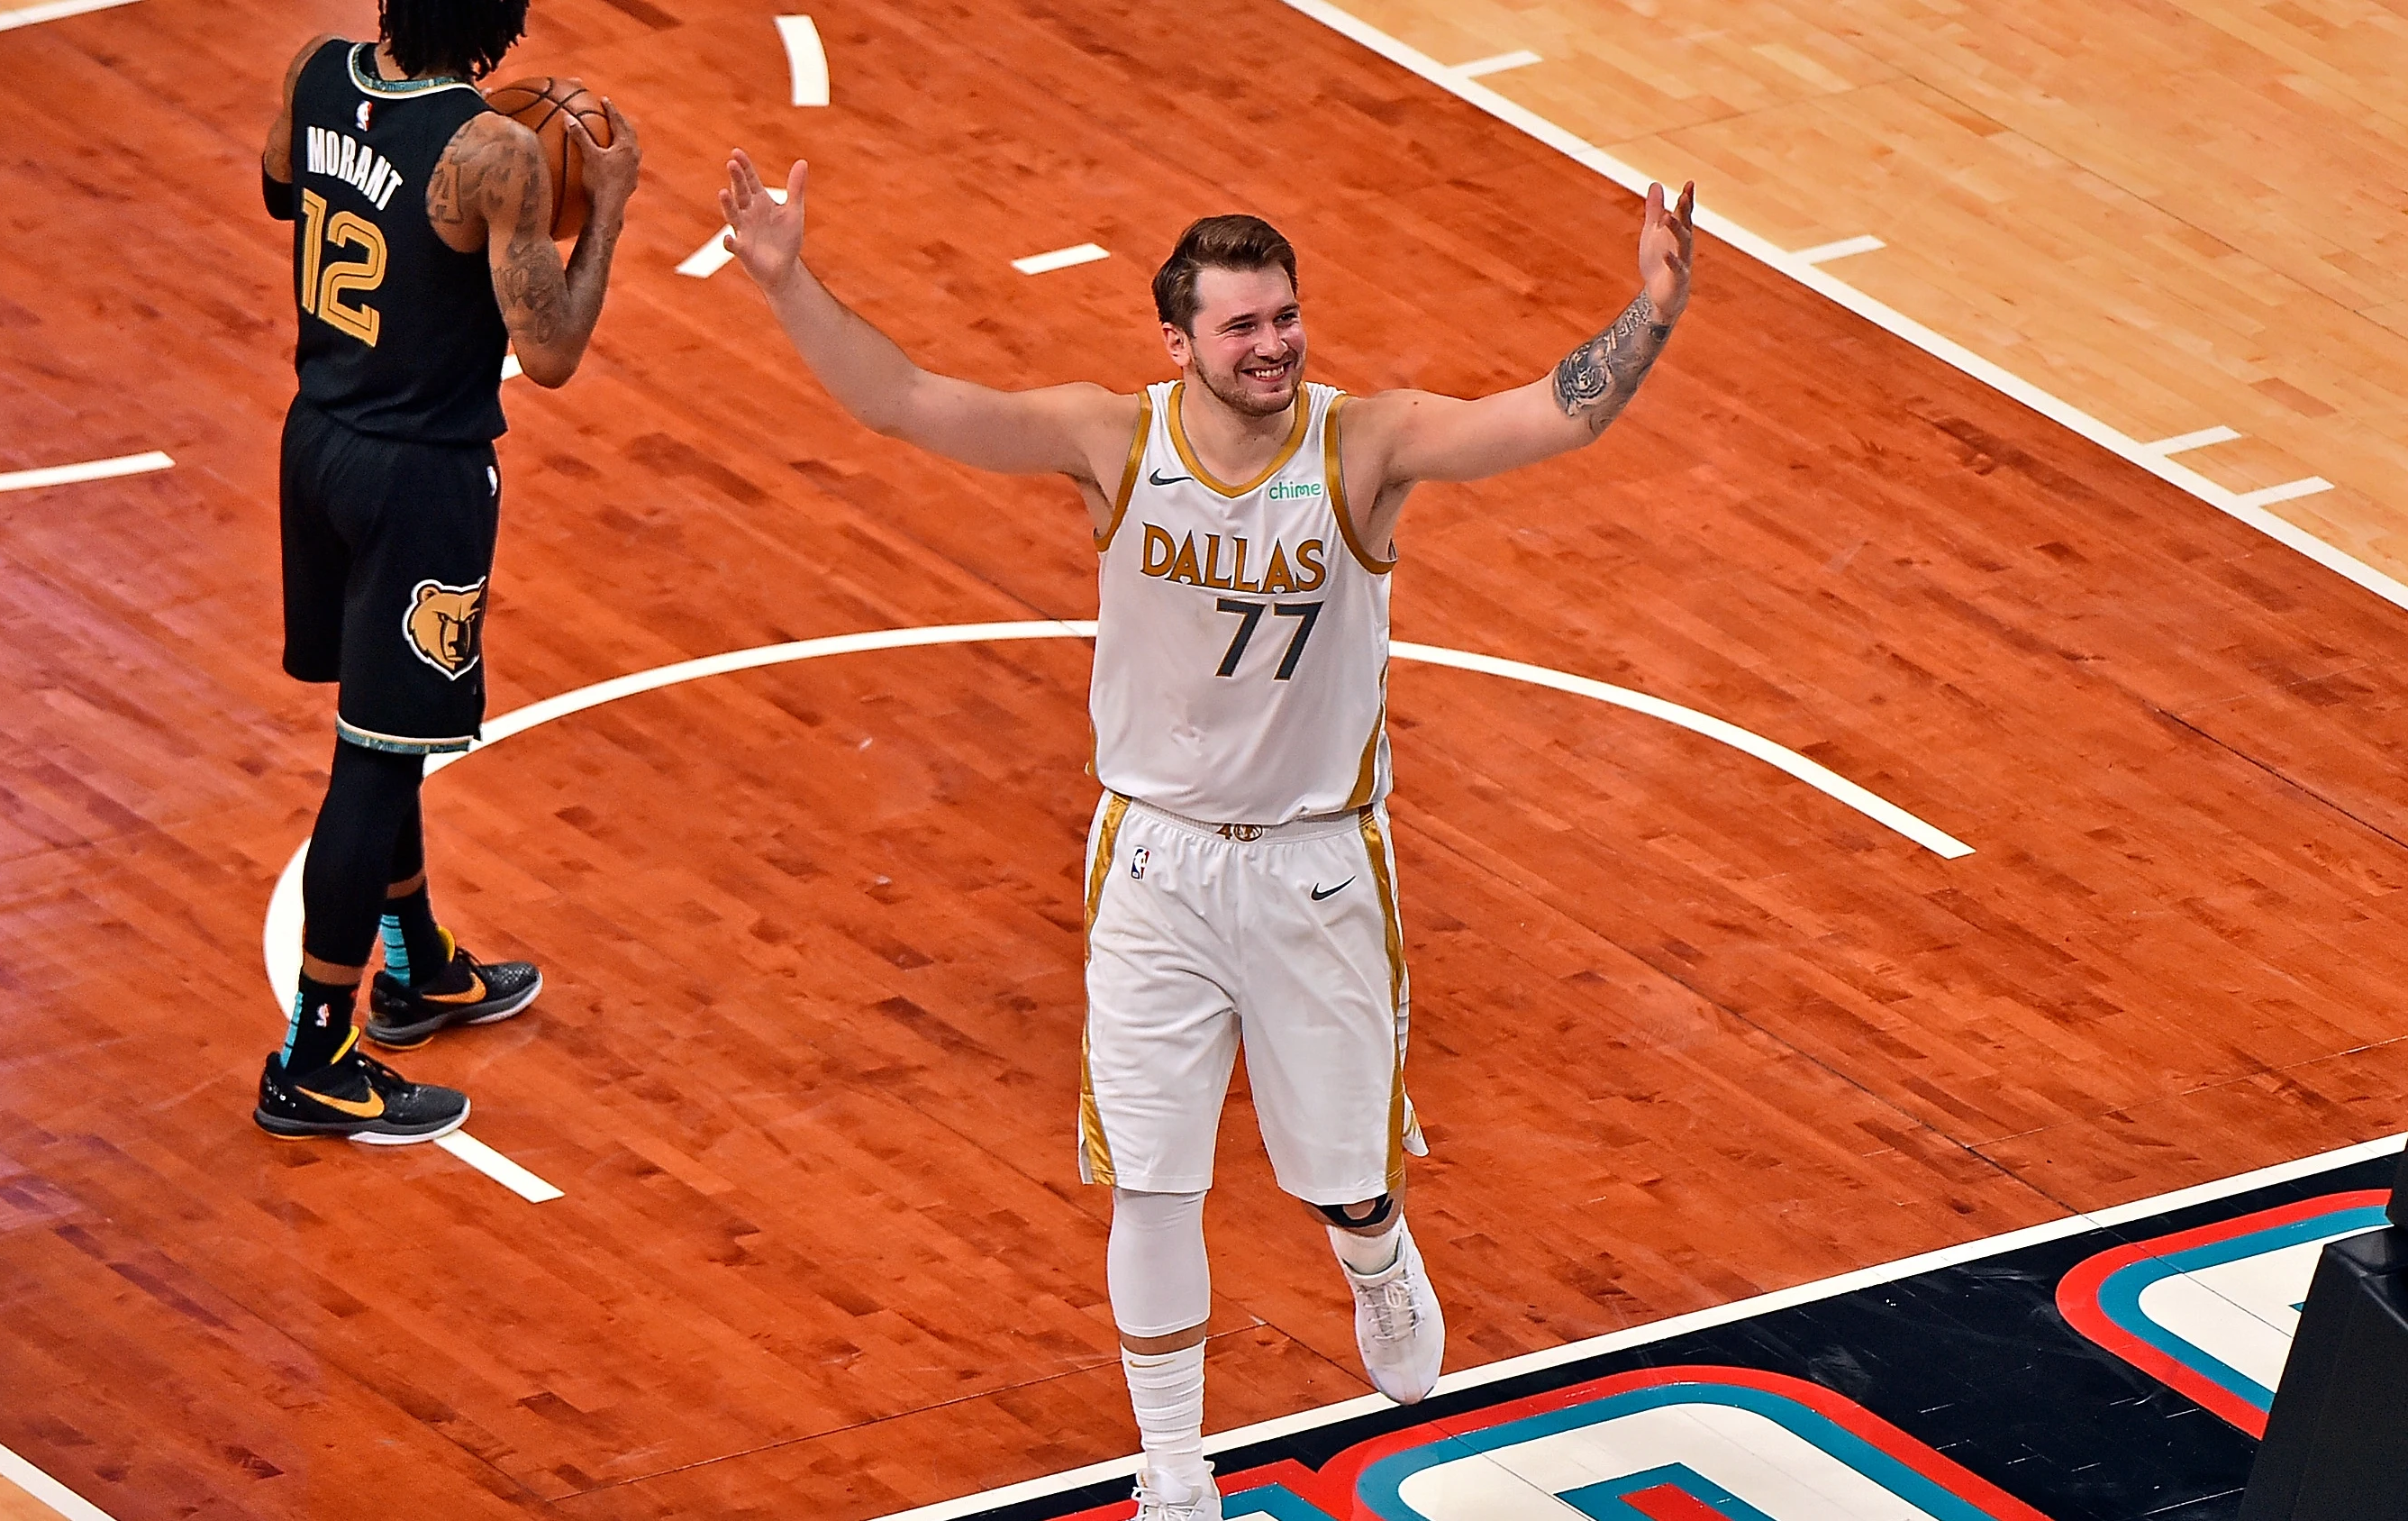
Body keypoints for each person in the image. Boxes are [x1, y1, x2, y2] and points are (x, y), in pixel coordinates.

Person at [721, 149, 1695, 1519]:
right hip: (1159, 864)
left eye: (1285, 316)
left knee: (1345, 1185)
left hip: (1316, 865)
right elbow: (912, 403)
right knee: (1154, 1186)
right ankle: (1174, 1470)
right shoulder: (1114, 441)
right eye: (1241, 324)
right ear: (1175, 341)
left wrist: (1649, 310)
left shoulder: (1366, 445)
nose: (1273, 345)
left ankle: (1375, 1254)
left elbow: (1550, 417)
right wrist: (784, 278)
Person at [252, 0, 641, 1143]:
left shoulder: (315, 71)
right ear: (499, 22)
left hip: (317, 438)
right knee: (373, 764)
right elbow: (552, 351)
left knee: (384, 729)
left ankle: (417, 965)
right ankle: (315, 1057)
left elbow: (283, 186)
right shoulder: (494, 150)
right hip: (416, 480)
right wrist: (605, 210)